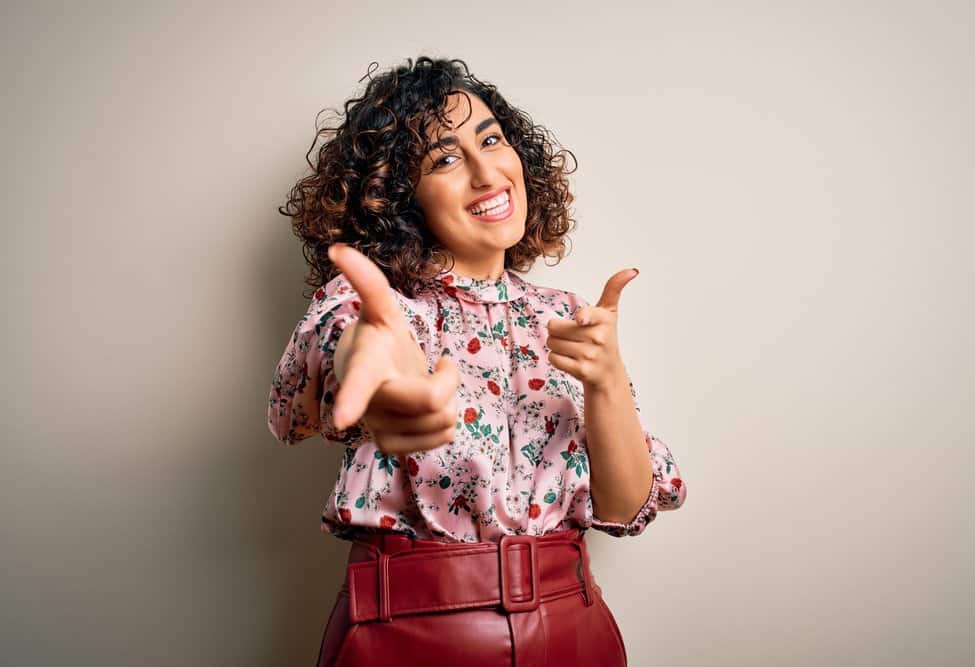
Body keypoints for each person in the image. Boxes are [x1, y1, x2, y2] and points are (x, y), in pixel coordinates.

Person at [266, 56, 687, 667]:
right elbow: (348, 345)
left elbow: (623, 510)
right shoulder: (378, 303)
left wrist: (607, 383)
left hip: (575, 628)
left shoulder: (567, 314)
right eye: (444, 158)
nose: (487, 172)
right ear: (397, 197)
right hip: (411, 634)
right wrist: (375, 370)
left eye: (491, 139)